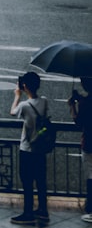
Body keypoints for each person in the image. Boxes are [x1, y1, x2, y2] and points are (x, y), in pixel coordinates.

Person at [9, 71, 49, 225]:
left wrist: (17, 96)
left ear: (24, 86)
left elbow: (12, 112)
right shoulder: (44, 101)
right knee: (40, 181)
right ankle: (43, 210)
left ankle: (28, 213)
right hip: (41, 148)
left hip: (27, 149)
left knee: (27, 182)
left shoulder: (25, 106)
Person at [68, 77, 92, 222]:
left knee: (91, 176)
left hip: (89, 143)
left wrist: (72, 105)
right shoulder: (85, 101)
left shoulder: (85, 103)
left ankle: (90, 208)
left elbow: (78, 122)